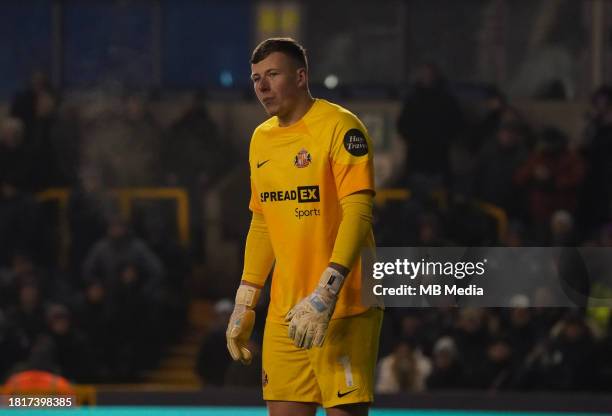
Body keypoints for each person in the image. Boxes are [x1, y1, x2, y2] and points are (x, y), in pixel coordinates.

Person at [225, 38, 382, 416]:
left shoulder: (341, 127)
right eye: (256, 78)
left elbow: (358, 213)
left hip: (343, 304)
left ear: (300, 77)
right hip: (285, 311)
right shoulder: (260, 140)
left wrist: (326, 292)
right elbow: (263, 221)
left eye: (272, 75)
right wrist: (246, 300)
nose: (262, 86)